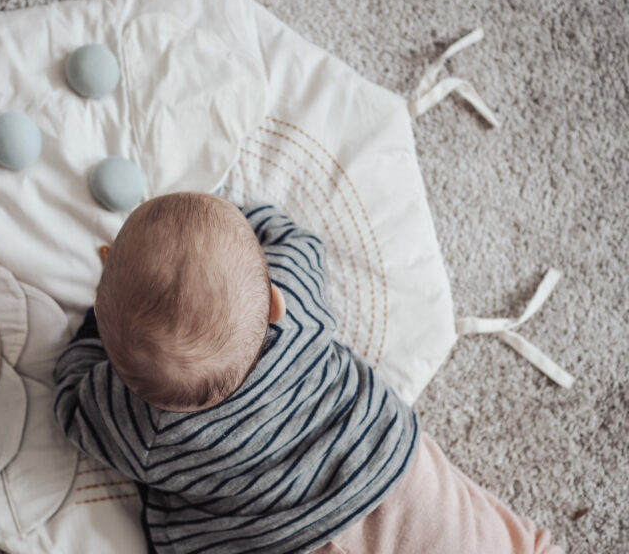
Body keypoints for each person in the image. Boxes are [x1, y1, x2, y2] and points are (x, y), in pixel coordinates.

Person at [54, 192, 562, 554]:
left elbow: (74, 406)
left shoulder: (143, 424)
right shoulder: (295, 305)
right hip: (385, 469)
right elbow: (296, 240)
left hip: (281, 538)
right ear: (272, 299)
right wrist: (247, 220)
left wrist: (90, 338)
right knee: (473, 538)